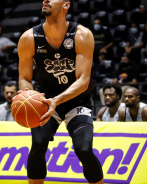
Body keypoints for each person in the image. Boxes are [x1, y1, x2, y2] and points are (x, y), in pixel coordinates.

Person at [18, 0, 104, 183]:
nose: (45, 0)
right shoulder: (28, 38)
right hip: (45, 100)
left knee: (84, 149)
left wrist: (57, 100)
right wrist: (29, 97)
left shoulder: (82, 35)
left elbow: (83, 81)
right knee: (38, 144)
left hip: (77, 100)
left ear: (66, 5)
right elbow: (24, 78)